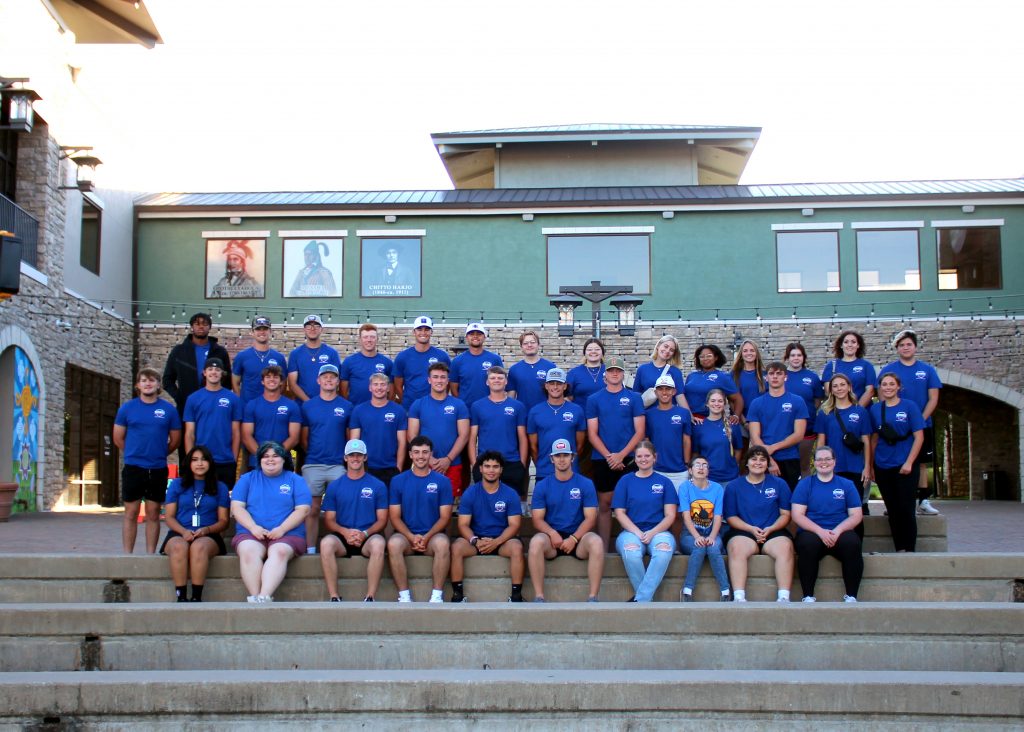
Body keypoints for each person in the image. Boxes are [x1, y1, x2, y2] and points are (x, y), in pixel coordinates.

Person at [230, 441, 312, 603]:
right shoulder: (247, 479)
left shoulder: (295, 480)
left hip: (288, 534)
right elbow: (237, 507)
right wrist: (253, 528)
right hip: (251, 532)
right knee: (248, 551)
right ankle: (254, 597)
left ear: (283, 459)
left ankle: (264, 596)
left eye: (275, 456)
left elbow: (303, 509)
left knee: (279, 551)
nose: (270, 459)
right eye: (265, 456)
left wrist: (281, 529)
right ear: (259, 460)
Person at [112, 367, 182, 553]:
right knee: (131, 513)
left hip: (158, 468)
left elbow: (175, 440)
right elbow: (118, 437)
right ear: (138, 385)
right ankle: (128, 555)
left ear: (158, 384)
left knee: (153, 513)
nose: (148, 383)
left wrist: (158, 453)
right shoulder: (127, 408)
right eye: (144, 380)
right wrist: (134, 453)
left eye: (152, 380)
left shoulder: (168, 410)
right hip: (134, 467)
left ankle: (150, 554)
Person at [528, 438, 604, 602]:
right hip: (552, 540)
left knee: (596, 542)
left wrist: (574, 538)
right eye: (558, 456)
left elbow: (591, 518)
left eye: (565, 455)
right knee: (535, 542)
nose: (561, 459)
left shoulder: (585, 483)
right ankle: (539, 597)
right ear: (551, 459)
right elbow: (537, 519)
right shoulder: (543, 485)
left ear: (573, 457)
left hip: (579, 538)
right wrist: (551, 532)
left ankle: (593, 597)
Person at [878, 328, 943, 516]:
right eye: (902, 345)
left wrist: (919, 421)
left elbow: (933, 398)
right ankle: (895, 503)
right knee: (896, 463)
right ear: (897, 348)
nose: (905, 348)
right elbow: (882, 397)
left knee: (920, 463)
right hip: (895, 428)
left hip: (921, 425)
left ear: (915, 347)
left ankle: (923, 500)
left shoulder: (927, 370)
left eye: (909, 344)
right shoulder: (888, 370)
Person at [449, 451, 525, 602]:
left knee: (516, 547)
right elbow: (463, 524)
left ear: (501, 470)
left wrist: (496, 542)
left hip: (502, 540)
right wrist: (475, 541)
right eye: (487, 466)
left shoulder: (510, 494)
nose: (491, 470)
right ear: (481, 469)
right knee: (457, 547)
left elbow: (515, 525)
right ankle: (457, 595)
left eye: (495, 467)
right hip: (477, 540)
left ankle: (516, 596)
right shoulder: (470, 493)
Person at [585, 357, 645, 549]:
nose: (614, 373)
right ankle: (602, 546)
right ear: (605, 376)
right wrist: (610, 456)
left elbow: (640, 431)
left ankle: (633, 543)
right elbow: (592, 434)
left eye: (618, 370)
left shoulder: (634, 398)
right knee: (604, 503)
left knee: (631, 502)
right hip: (603, 458)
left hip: (629, 458)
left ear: (623, 374)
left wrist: (621, 455)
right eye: (611, 371)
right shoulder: (594, 399)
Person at [319, 439, 389, 602]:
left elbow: (382, 520)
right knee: (326, 543)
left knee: (379, 543)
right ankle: (334, 596)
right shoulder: (335, 486)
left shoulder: (377, 485)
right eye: (352, 455)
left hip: (368, 536)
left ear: (365, 457)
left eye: (359, 455)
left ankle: (370, 596)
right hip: (343, 537)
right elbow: (329, 520)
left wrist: (364, 533)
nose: (355, 458)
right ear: (345, 458)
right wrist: (346, 532)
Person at [791, 445, 864, 602]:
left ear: (834, 461)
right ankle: (808, 596)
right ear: (814, 462)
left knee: (852, 542)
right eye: (819, 459)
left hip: (839, 531)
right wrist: (820, 532)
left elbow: (856, 515)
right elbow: (797, 515)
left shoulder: (846, 485)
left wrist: (837, 531)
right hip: (813, 531)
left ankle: (851, 596)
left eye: (827, 459)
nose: (824, 462)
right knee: (806, 544)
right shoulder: (805, 484)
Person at [387, 435, 454, 602]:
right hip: (406, 537)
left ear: (431, 454)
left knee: (443, 543)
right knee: (393, 544)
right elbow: (394, 517)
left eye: (425, 452)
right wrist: (412, 537)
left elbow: (445, 517)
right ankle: (404, 596)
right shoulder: (397, 481)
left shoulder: (443, 481)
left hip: (432, 536)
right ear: (410, 454)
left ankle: (437, 596)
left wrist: (427, 536)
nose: (421, 456)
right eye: (416, 452)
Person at [724, 446, 795, 603]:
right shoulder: (734, 486)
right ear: (747, 463)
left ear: (768, 463)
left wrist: (771, 529)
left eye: (763, 459)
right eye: (754, 459)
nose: (758, 462)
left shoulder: (779, 484)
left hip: (773, 530)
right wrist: (751, 529)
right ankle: (739, 597)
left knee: (786, 547)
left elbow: (786, 514)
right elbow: (731, 517)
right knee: (736, 548)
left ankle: (783, 597)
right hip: (744, 531)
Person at [611, 440, 678, 603]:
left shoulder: (665, 482)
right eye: (639, 456)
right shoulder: (625, 481)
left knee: (663, 553)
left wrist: (653, 532)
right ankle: (646, 600)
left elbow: (670, 515)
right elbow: (619, 513)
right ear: (635, 458)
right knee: (632, 554)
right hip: (631, 532)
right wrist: (638, 532)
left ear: (655, 458)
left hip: (659, 532)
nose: (643, 459)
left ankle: (641, 600)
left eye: (647, 455)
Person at [160, 445, 230, 602]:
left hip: (209, 534)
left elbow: (224, 521)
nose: (200, 463)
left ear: (210, 463)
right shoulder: (177, 484)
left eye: (204, 460)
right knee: (179, 547)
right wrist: (184, 532)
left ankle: (196, 597)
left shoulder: (220, 487)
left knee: (199, 547)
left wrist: (206, 530)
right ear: (188, 463)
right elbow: (169, 517)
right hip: (179, 531)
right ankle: (181, 596)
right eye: (195, 460)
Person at [162, 312, 230, 463]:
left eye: (205, 324)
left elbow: (228, 380)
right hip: (186, 408)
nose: (201, 326)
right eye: (197, 323)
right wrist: (180, 397)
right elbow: (167, 380)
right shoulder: (179, 351)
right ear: (192, 326)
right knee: (187, 448)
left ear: (209, 327)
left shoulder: (219, 352)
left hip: (214, 409)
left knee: (214, 447)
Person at [300, 364, 353, 553]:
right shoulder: (308, 406)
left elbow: (349, 438)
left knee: (341, 508)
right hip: (313, 463)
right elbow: (304, 438)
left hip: (337, 465)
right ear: (318, 380)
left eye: (332, 377)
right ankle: (311, 549)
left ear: (338, 381)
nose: (329, 380)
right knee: (312, 509)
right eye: (325, 377)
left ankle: (343, 545)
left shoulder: (346, 406)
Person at [870, 372, 925, 552]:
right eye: (884, 384)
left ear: (898, 386)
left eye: (891, 384)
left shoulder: (910, 407)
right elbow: (874, 439)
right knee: (892, 509)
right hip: (883, 464)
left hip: (905, 464)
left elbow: (919, 437)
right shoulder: (876, 409)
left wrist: (909, 462)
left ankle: (909, 549)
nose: (888, 387)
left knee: (906, 509)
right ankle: (899, 547)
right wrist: (871, 465)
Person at [406, 361, 470, 498]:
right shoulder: (418, 404)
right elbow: (412, 436)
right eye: (435, 377)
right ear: (429, 380)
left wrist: (448, 459)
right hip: (424, 463)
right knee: (423, 502)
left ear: (448, 380)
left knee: (448, 507)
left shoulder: (459, 405)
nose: (439, 381)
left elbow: (464, 435)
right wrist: (429, 459)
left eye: (442, 377)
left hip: (452, 463)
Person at [815, 373, 872, 516]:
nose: (839, 388)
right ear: (831, 390)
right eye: (835, 386)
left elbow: (866, 441)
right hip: (832, 468)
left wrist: (867, 467)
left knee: (855, 508)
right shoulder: (824, 413)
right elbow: (821, 442)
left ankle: (856, 538)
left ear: (849, 387)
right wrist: (820, 465)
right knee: (834, 508)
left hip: (855, 467)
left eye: (842, 385)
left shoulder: (860, 411)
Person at [746, 361, 809, 489]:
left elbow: (799, 434)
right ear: (766, 377)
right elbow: (754, 436)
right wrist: (768, 459)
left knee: (789, 500)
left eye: (779, 374)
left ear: (786, 377)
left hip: (790, 458)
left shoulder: (797, 401)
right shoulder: (756, 403)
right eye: (771, 374)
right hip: (763, 460)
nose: (775, 377)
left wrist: (773, 447)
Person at [183, 357, 242, 489]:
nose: (214, 372)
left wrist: (233, 459)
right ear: (204, 372)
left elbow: (236, 432)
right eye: (210, 369)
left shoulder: (233, 399)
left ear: (222, 373)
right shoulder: (193, 399)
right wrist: (191, 460)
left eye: (217, 369)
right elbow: (189, 434)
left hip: (225, 460)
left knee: (224, 503)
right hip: (202, 461)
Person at [678, 455, 731, 602]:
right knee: (700, 547)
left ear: (708, 471)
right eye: (697, 465)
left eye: (705, 465)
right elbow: (686, 515)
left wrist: (712, 537)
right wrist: (697, 537)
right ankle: (687, 590)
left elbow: (718, 516)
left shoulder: (717, 488)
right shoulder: (685, 487)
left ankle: (725, 591)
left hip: (712, 532)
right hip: (690, 534)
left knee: (713, 548)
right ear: (690, 470)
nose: (701, 468)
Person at [469, 366, 528, 496]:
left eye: (500, 378)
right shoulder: (477, 406)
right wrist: (474, 463)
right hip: (486, 463)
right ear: (487, 382)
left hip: (512, 462)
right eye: (493, 378)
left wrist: (522, 464)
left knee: (511, 505)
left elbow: (522, 437)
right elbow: (472, 438)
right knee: (485, 503)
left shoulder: (517, 406)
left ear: (506, 381)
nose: (496, 380)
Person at [527, 368, 586, 485]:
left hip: (571, 472)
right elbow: (533, 447)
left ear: (565, 386)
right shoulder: (535, 411)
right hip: (544, 472)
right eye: (551, 383)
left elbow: (580, 445)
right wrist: (543, 464)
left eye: (559, 383)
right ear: (546, 386)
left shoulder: (576, 410)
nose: (555, 387)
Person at [350, 373, 408, 487]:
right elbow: (354, 442)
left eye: (383, 384)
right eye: (375, 384)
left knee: (388, 504)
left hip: (390, 467)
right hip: (366, 467)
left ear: (388, 388)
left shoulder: (398, 410)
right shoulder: (359, 410)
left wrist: (398, 468)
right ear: (370, 387)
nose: (379, 388)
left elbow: (402, 443)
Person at [241, 365, 301, 471]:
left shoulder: (292, 406)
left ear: (282, 382)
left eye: (276, 377)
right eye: (268, 377)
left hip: (283, 462)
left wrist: (276, 456)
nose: (272, 379)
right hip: (257, 462)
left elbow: (294, 438)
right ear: (262, 381)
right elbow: (246, 436)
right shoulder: (252, 405)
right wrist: (263, 457)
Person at [644, 374, 692, 491]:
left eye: (668, 389)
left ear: (674, 391)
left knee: (680, 506)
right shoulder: (649, 414)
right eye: (660, 389)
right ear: (655, 392)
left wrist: (686, 463)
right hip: (656, 469)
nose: (664, 392)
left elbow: (686, 440)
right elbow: (647, 440)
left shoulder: (683, 413)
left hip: (679, 470)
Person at [784, 342, 825, 476]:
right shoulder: (781, 375)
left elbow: (817, 400)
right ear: (787, 358)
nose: (796, 358)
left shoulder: (812, 377)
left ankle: (804, 495)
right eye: (793, 355)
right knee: (786, 466)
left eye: (799, 355)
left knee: (804, 465)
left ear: (804, 357)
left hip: (807, 429)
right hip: (784, 430)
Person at [393, 315, 451, 406]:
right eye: (419, 329)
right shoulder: (402, 357)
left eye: (427, 329)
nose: (423, 332)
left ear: (431, 332)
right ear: (414, 332)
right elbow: (397, 385)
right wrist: (407, 401)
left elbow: (448, 383)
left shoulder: (442, 356)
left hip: (436, 407)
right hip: (410, 408)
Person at [690, 389, 743, 485]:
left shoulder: (733, 425)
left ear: (724, 403)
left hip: (730, 478)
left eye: (720, 401)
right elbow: (696, 453)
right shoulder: (699, 426)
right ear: (707, 404)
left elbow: (738, 449)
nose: (716, 404)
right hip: (707, 478)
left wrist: (732, 466)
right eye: (713, 401)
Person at [232, 316, 287, 406]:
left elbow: (283, 384)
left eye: (265, 329)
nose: (262, 332)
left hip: (271, 407)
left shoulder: (279, 358)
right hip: (247, 408)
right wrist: (241, 403)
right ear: (252, 332)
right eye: (258, 329)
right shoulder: (242, 356)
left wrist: (274, 402)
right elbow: (235, 383)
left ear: (270, 332)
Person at [287, 314, 341, 403]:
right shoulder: (295, 354)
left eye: (316, 325)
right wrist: (308, 403)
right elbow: (292, 384)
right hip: (302, 405)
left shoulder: (332, 353)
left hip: (327, 404)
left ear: (321, 329)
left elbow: (336, 381)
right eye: (309, 326)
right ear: (304, 329)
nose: (312, 328)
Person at [450, 322, 503, 410]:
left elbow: (501, 383)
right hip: (466, 410)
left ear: (484, 337)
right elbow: (453, 388)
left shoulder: (495, 359)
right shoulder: (457, 361)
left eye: (479, 334)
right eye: (471, 334)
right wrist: (462, 404)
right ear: (467, 337)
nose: (475, 336)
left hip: (490, 408)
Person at [340, 323, 394, 406]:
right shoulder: (349, 362)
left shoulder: (387, 363)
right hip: (355, 411)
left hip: (380, 412)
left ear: (377, 339)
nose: (369, 340)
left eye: (372, 337)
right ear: (360, 339)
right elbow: (343, 391)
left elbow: (391, 390)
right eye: (365, 337)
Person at [632, 334, 691, 409]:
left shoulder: (675, 372)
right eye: (665, 346)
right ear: (658, 346)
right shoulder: (643, 369)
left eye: (671, 350)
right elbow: (636, 394)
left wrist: (689, 416)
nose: (667, 351)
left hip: (669, 416)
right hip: (647, 415)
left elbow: (680, 396)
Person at [821, 330, 876, 407]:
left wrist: (857, 411)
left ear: (858, 345)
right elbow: (828, 391)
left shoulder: (866, 366)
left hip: (861, 411)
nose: (850, 345)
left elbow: (870, 391)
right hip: (838, 412)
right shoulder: (831, 366)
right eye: (846, 342)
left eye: (853, 342)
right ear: (841, 345)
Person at [683, 344, 741, 418]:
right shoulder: (691, 376)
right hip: (689, 418)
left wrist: (736, 415)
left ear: (716, 358)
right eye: (702, 356)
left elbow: (738, 399)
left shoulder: (723, 377)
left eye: (709, 356)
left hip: (709, 420)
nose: (705, 358)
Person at [507, 330, 557, 414]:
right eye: (525, 343)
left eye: (532, 342)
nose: (529, 345)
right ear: (521, 347)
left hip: (546, 413)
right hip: (523, 414)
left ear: (538, 345)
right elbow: (511, 396)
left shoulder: (550, 367)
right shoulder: (514, 369)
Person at [565, 337, 606, 412]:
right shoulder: (574, 373)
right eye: (589, 349)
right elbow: (567, 397)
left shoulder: (610, 371)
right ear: (584, 353)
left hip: (605, 418)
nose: (593, 352)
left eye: (597, 349)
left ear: (602, 352)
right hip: (582, 419)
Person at [731, 339, 766, 425]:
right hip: (741, 421)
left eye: (752, 350)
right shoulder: (734, 375)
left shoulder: (765, 374)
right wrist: (744, 421)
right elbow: (732, 400)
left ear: (756, 353)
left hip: (764, 420)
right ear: (741, 354)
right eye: (745, 351)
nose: (749, 353)